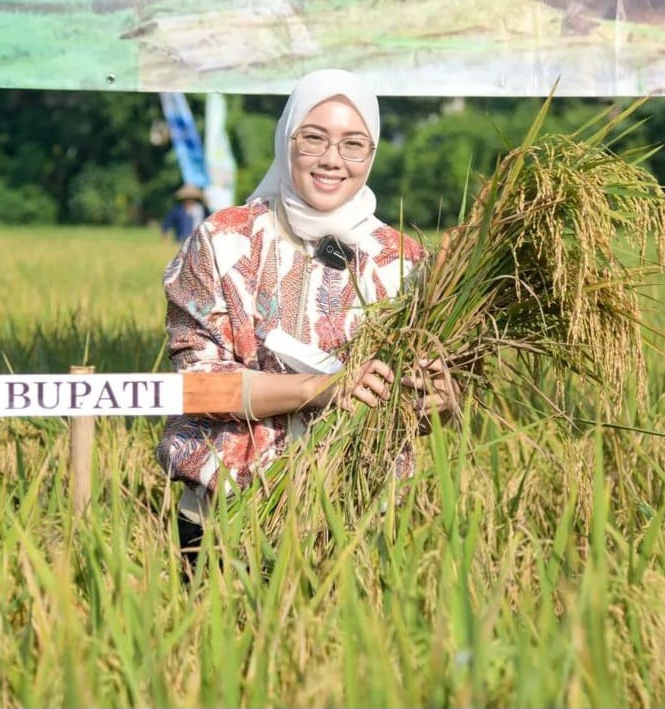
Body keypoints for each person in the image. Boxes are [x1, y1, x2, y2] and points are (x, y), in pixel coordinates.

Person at [155, 68, 456, 570]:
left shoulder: (402, 262)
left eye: (353, 144)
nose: (332, 159)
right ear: (286, 138)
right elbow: (198, 384)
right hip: (226, 519)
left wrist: (440, 400)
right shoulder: (224, 241)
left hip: (362, 524)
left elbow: (427, 414)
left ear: (372, 153)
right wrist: (323, 388)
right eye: (313, 138)